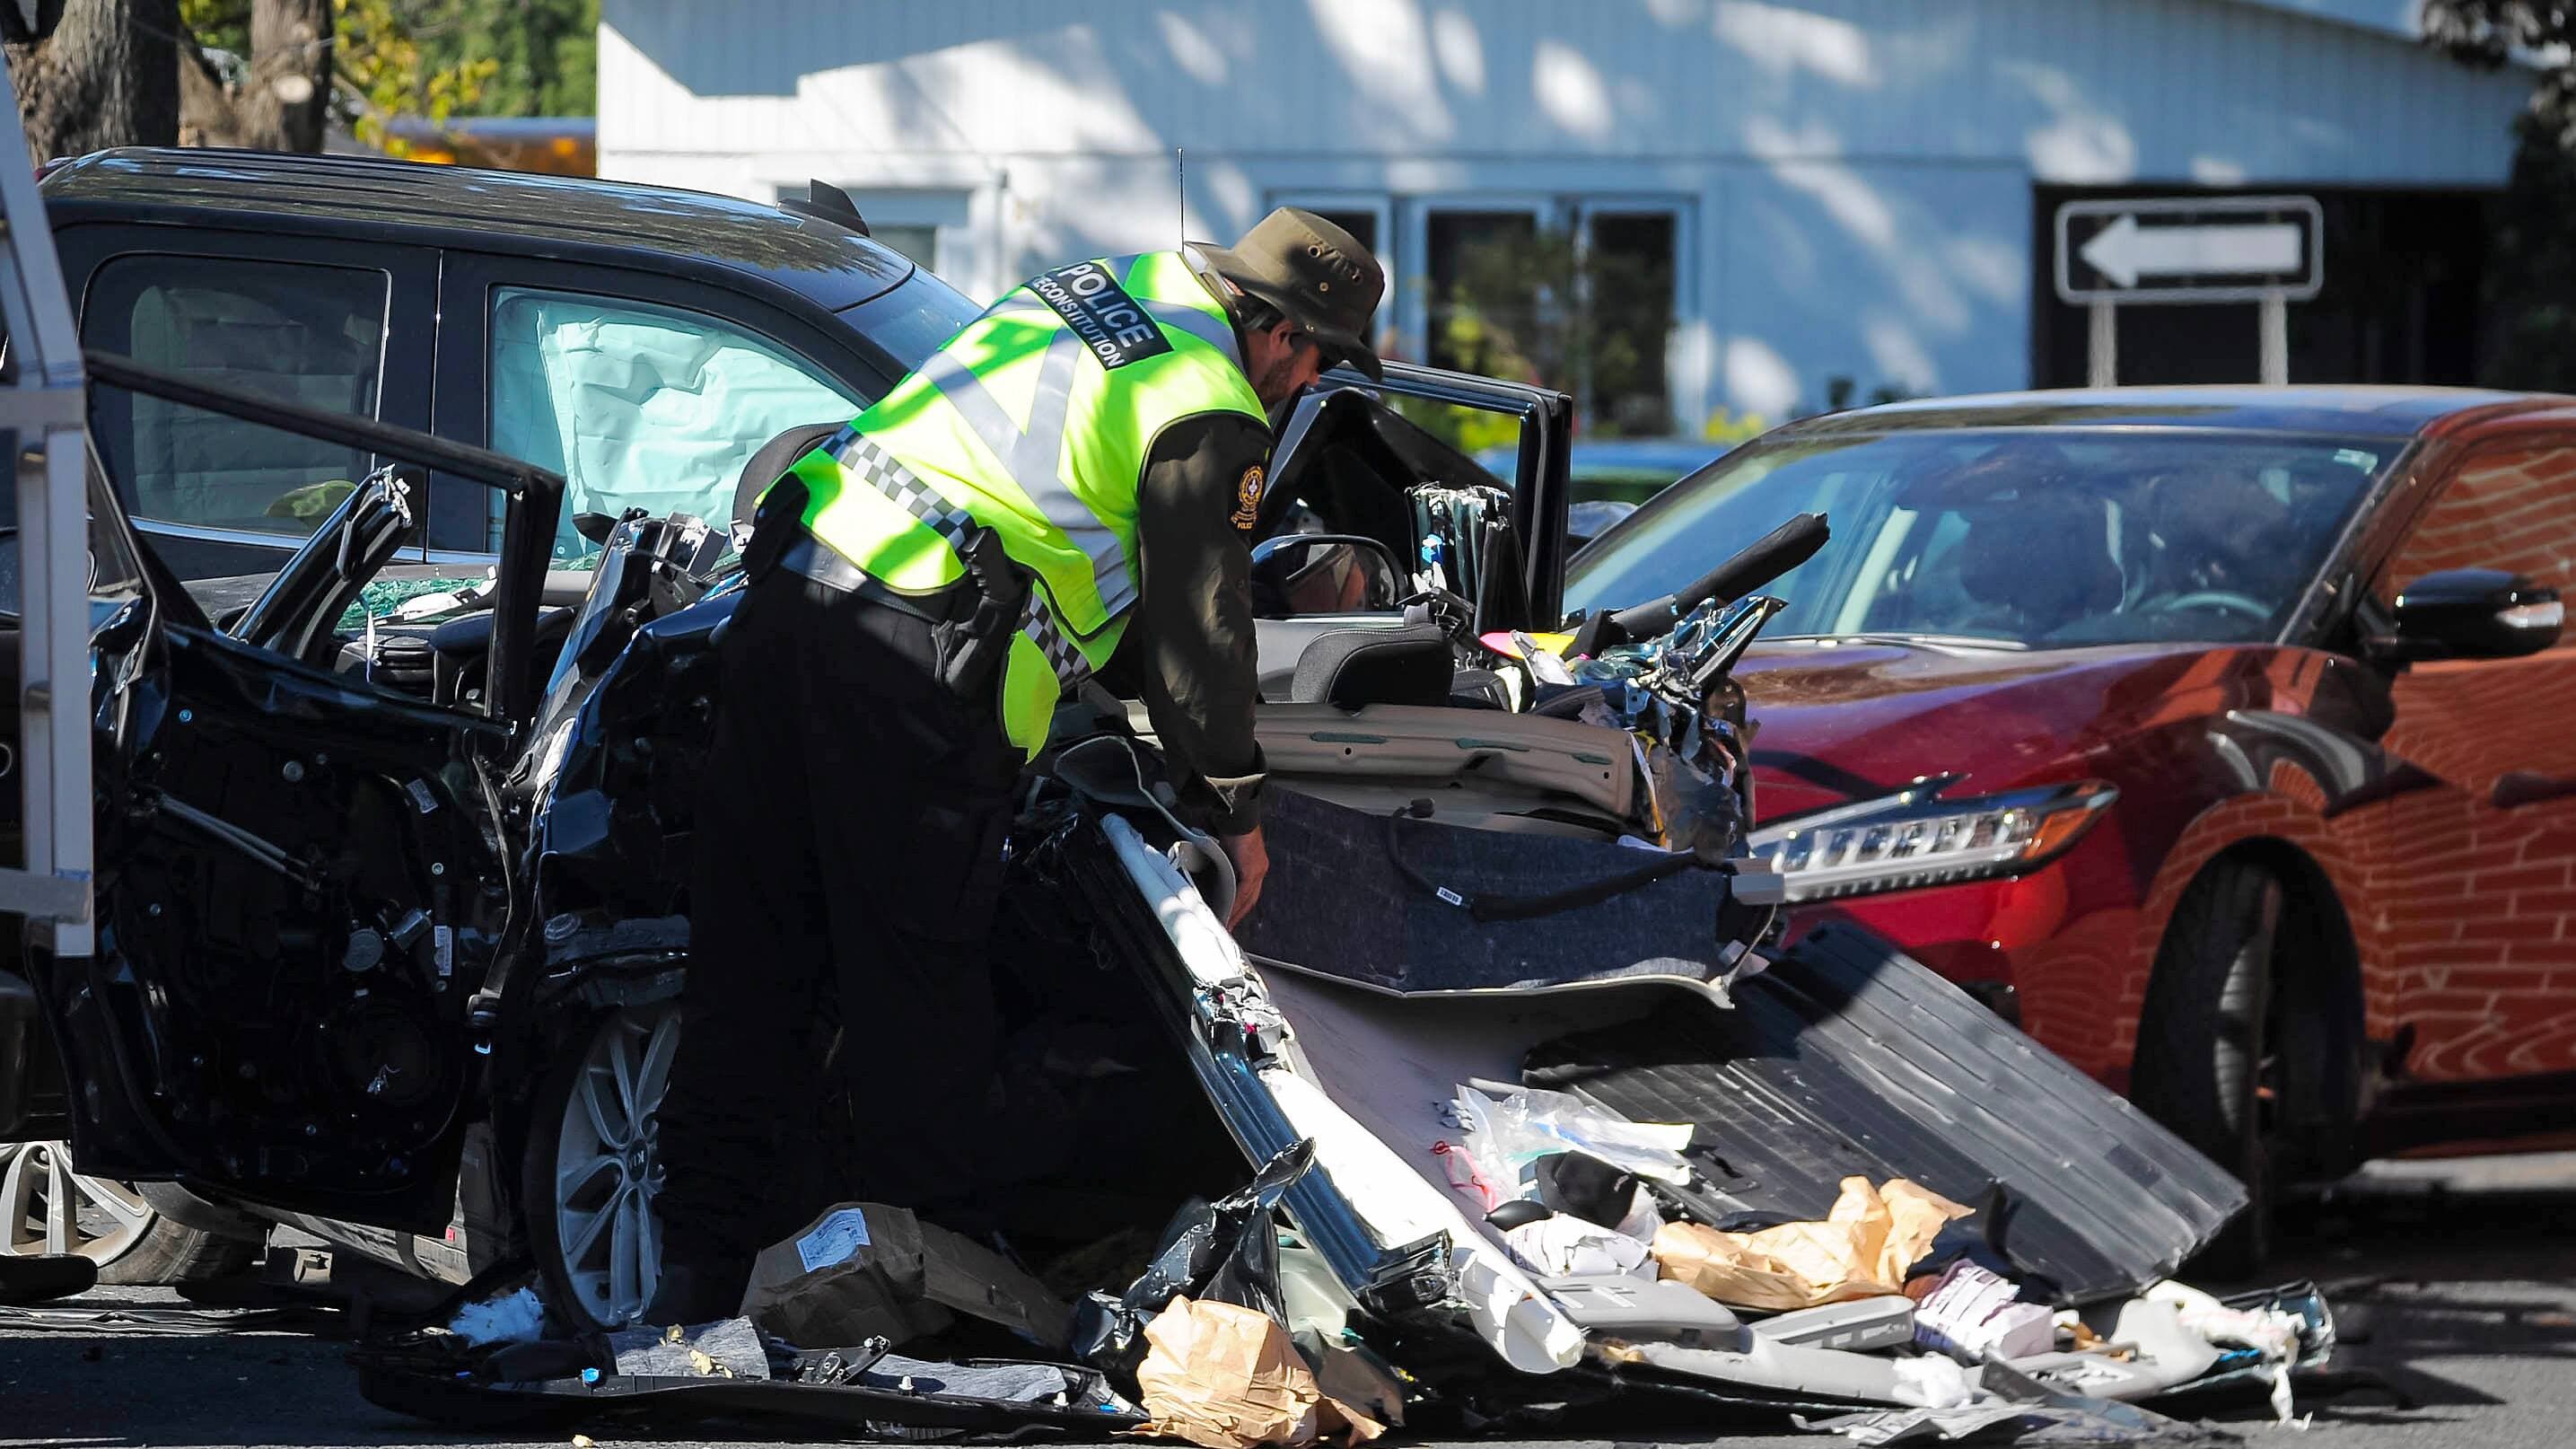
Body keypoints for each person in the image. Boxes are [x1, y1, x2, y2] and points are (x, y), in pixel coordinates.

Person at [645, 209, 1387, 1322]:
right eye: (1316, 358)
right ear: (1281, 333)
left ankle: (689, 1284)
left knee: (751, 969)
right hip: (911, 671)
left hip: (794, 599)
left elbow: (1059, 518)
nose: (1306, 384)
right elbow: (1199, 638)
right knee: (917, 1015)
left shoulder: (1105, 285)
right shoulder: (1207, 403)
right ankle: (928, 1303)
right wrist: (1233, 813)